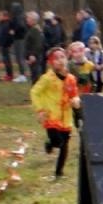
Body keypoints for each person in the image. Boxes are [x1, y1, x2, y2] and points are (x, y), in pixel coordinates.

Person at [30, 46, 81, 180]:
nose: (60, 61)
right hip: (51, 117)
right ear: (51, 62)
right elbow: (34, 92)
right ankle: (50, 143)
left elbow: (74, 95)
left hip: (66, 118)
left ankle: (59, 173)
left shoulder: (71, 79)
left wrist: (75, 100)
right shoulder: (47, 78)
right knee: (58, 142)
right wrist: (40, 109)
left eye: (62, 57)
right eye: (56, 58)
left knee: (65, 145)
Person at [22, 10, 46, 82]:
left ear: (33, 20)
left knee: (36, 75)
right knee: (33, 75)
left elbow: (38, 44)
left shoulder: (36, 30)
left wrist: (33, 55)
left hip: (35, 57)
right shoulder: (32, 29)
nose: (27, 19)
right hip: (31, 56)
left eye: (28, 18)